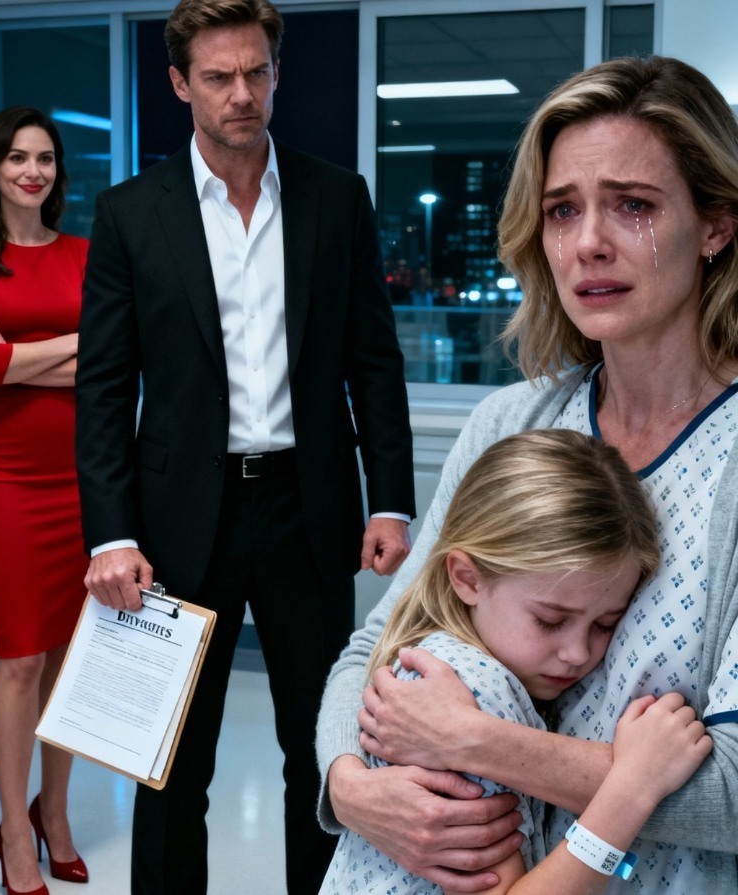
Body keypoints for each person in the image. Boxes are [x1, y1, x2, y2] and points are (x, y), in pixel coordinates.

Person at [316, 54, 738, 895]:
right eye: (562, 210)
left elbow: (730, 792)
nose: (588, 243)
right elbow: (376, 646)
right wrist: (350, 786)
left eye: (634, 205)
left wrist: (472, 741)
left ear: (717, 225)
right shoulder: (509, 423)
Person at [74, 1, 415, 893]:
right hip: (178, 522)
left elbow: (374, 362)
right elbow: (103, 389)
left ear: (276, 74)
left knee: (324, 755)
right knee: (172, 764)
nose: (242, 94)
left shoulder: (334, 198)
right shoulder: (130, 215)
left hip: (309, 510)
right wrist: (111, 533)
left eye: (257, 72)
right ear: (179, 83)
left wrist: (390, 499)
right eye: (219, 76)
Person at [321, 428, 713, 895]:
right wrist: (632, 788)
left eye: (605, 624)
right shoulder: (466, 691)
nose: (578, 653)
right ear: (467, 578)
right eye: (550, 620)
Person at [0, 106, 89, 895]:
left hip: (85, 475)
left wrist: (16, 353)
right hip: (5, 475)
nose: (32, 171)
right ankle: (15, 829)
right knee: (20, 657)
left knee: (70, 657)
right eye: (18, 157)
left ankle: (57, 812)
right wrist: (71, 347)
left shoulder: (86, 254)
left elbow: (117, 356)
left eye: (45, 158)